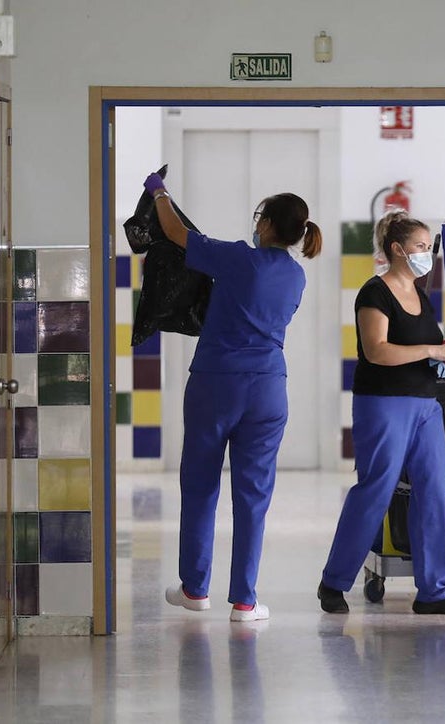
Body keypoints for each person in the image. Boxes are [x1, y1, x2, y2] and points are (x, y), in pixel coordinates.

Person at [143, 171, 322, 622]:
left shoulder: (239, 259)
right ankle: (245, 601)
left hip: (215, 384)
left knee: (200, 484)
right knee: (253, 494)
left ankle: (195, 589)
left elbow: (175, 233)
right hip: (267, 390)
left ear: (265, 225)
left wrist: (159, 192)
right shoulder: (296, 277)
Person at [317, 210, 445, 616]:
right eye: (420, 248)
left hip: (426, 405)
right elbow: (377, 350)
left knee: (436, 492)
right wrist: (430, 350)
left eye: (429, 247)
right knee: (376, 489)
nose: (427, 254)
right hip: (383, 405)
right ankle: (334, 582)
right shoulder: (375, 293)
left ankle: (435, 591)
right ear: (397, 250)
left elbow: (423, 346)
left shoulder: (420, 295)